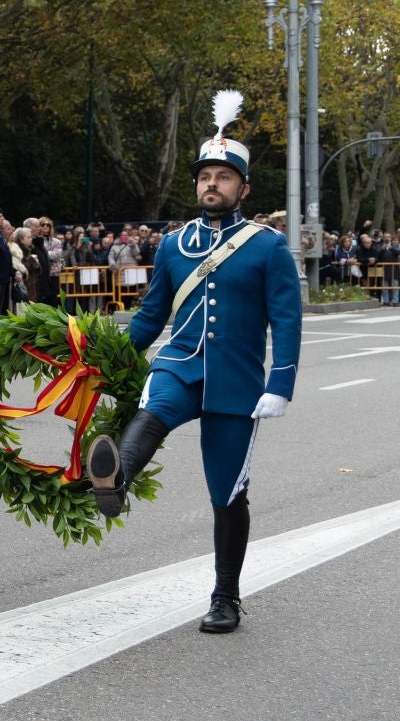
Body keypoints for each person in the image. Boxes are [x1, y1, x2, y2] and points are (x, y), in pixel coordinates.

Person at [84, 93, 302, 634]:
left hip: (237, 378)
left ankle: (225, 596)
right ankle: (116, 480)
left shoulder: (267, 246)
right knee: (153, 412)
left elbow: (288, 320)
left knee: (227, 492)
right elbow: (150, 317)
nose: (212, 184)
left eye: (224, 177)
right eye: (205, 175)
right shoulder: (176, 244)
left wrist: (281, 384)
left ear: (243, 189)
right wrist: (103, 358)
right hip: (179, 363)